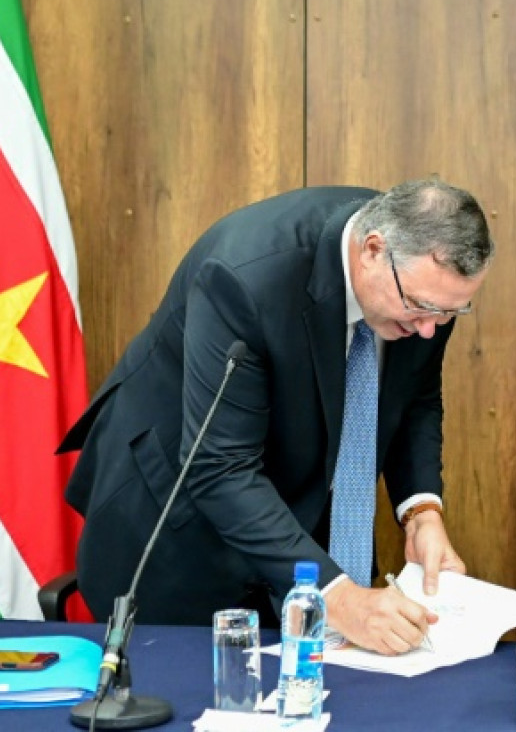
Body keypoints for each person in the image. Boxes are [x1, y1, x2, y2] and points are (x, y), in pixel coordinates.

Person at [59, 178, 493, 655]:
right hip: (176, 526)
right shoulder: (245, 276)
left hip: (297, 533)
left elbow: (414, 397)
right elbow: (219, 467)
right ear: (372, 249)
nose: (430, 329)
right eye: (423, 308)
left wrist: (421, 512)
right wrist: (340, 597)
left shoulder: (422, 284)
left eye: (452, 313)